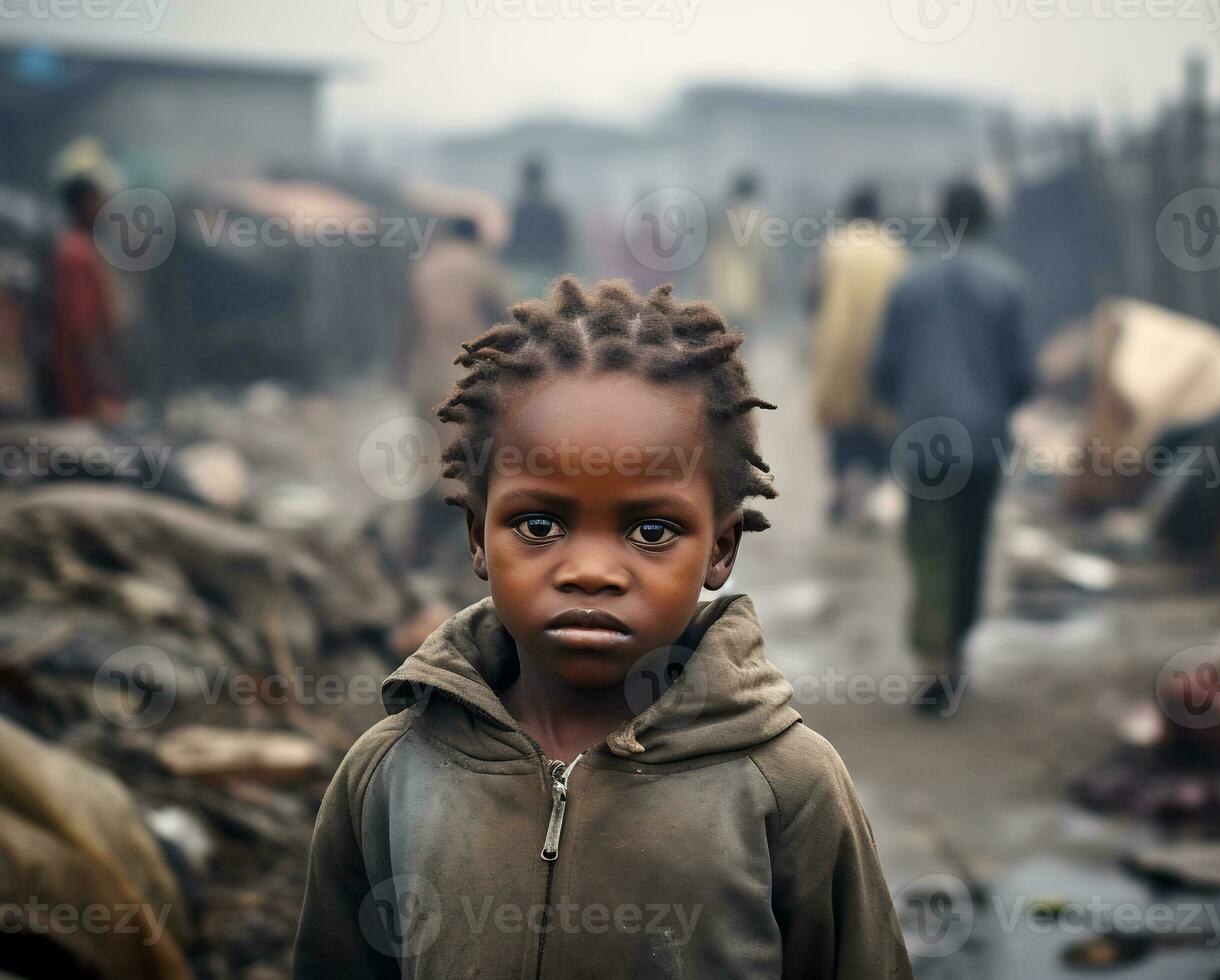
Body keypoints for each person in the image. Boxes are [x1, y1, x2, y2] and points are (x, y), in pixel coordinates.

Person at [295, 277, 913, 979]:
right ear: (476, 536)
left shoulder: (786, 787)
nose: (590, 570)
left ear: (721, 548)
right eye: (539, 524)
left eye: (652, 530)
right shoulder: (390, 774)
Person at [870, 181, 1033, 716]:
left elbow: (884, 372)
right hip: (983, 441)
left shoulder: (909, 286)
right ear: (986, 220)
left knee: (929, 547)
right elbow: (1022, 376)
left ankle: (933, 661)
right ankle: (956, 655)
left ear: (940, 220)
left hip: (923, 441)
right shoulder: (1008, 285)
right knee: (970, 544)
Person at [405, 216, 510, 570]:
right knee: (470, 457)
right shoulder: (481, 266)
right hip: (467, 373)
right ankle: (465, 548)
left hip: (424, 373)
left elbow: (406, 324)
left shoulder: (424, 266)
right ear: (475, 237)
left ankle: (421, 550)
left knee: (431, 456)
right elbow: (504, 319)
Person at [808, 184, 909, 526]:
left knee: (841, 424)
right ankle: (871, 497)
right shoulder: (894, 249)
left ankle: (840, 490)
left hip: (839, 347)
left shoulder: (834, 246)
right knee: (877, 424)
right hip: (881, 347)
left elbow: (814, 296)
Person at [51, 176, 123, 421]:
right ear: (84, 204)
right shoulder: (76, 253)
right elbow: (84, 330)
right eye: (98, 200)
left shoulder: (78, 248)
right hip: (83, 389)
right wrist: (102, 389)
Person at [702, 171, 771, 328]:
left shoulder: (724, 215)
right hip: (750, 292)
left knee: (727, 342)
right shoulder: (761, 218)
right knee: (745, 340)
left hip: (724, 291)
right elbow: (765, 260)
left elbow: (713, 257)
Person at [502, 157, 571, 298]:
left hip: (522, 273)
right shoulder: (554, 210)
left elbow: (506, 244)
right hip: (545, 273)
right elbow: (563, 245)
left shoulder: (515, 210)